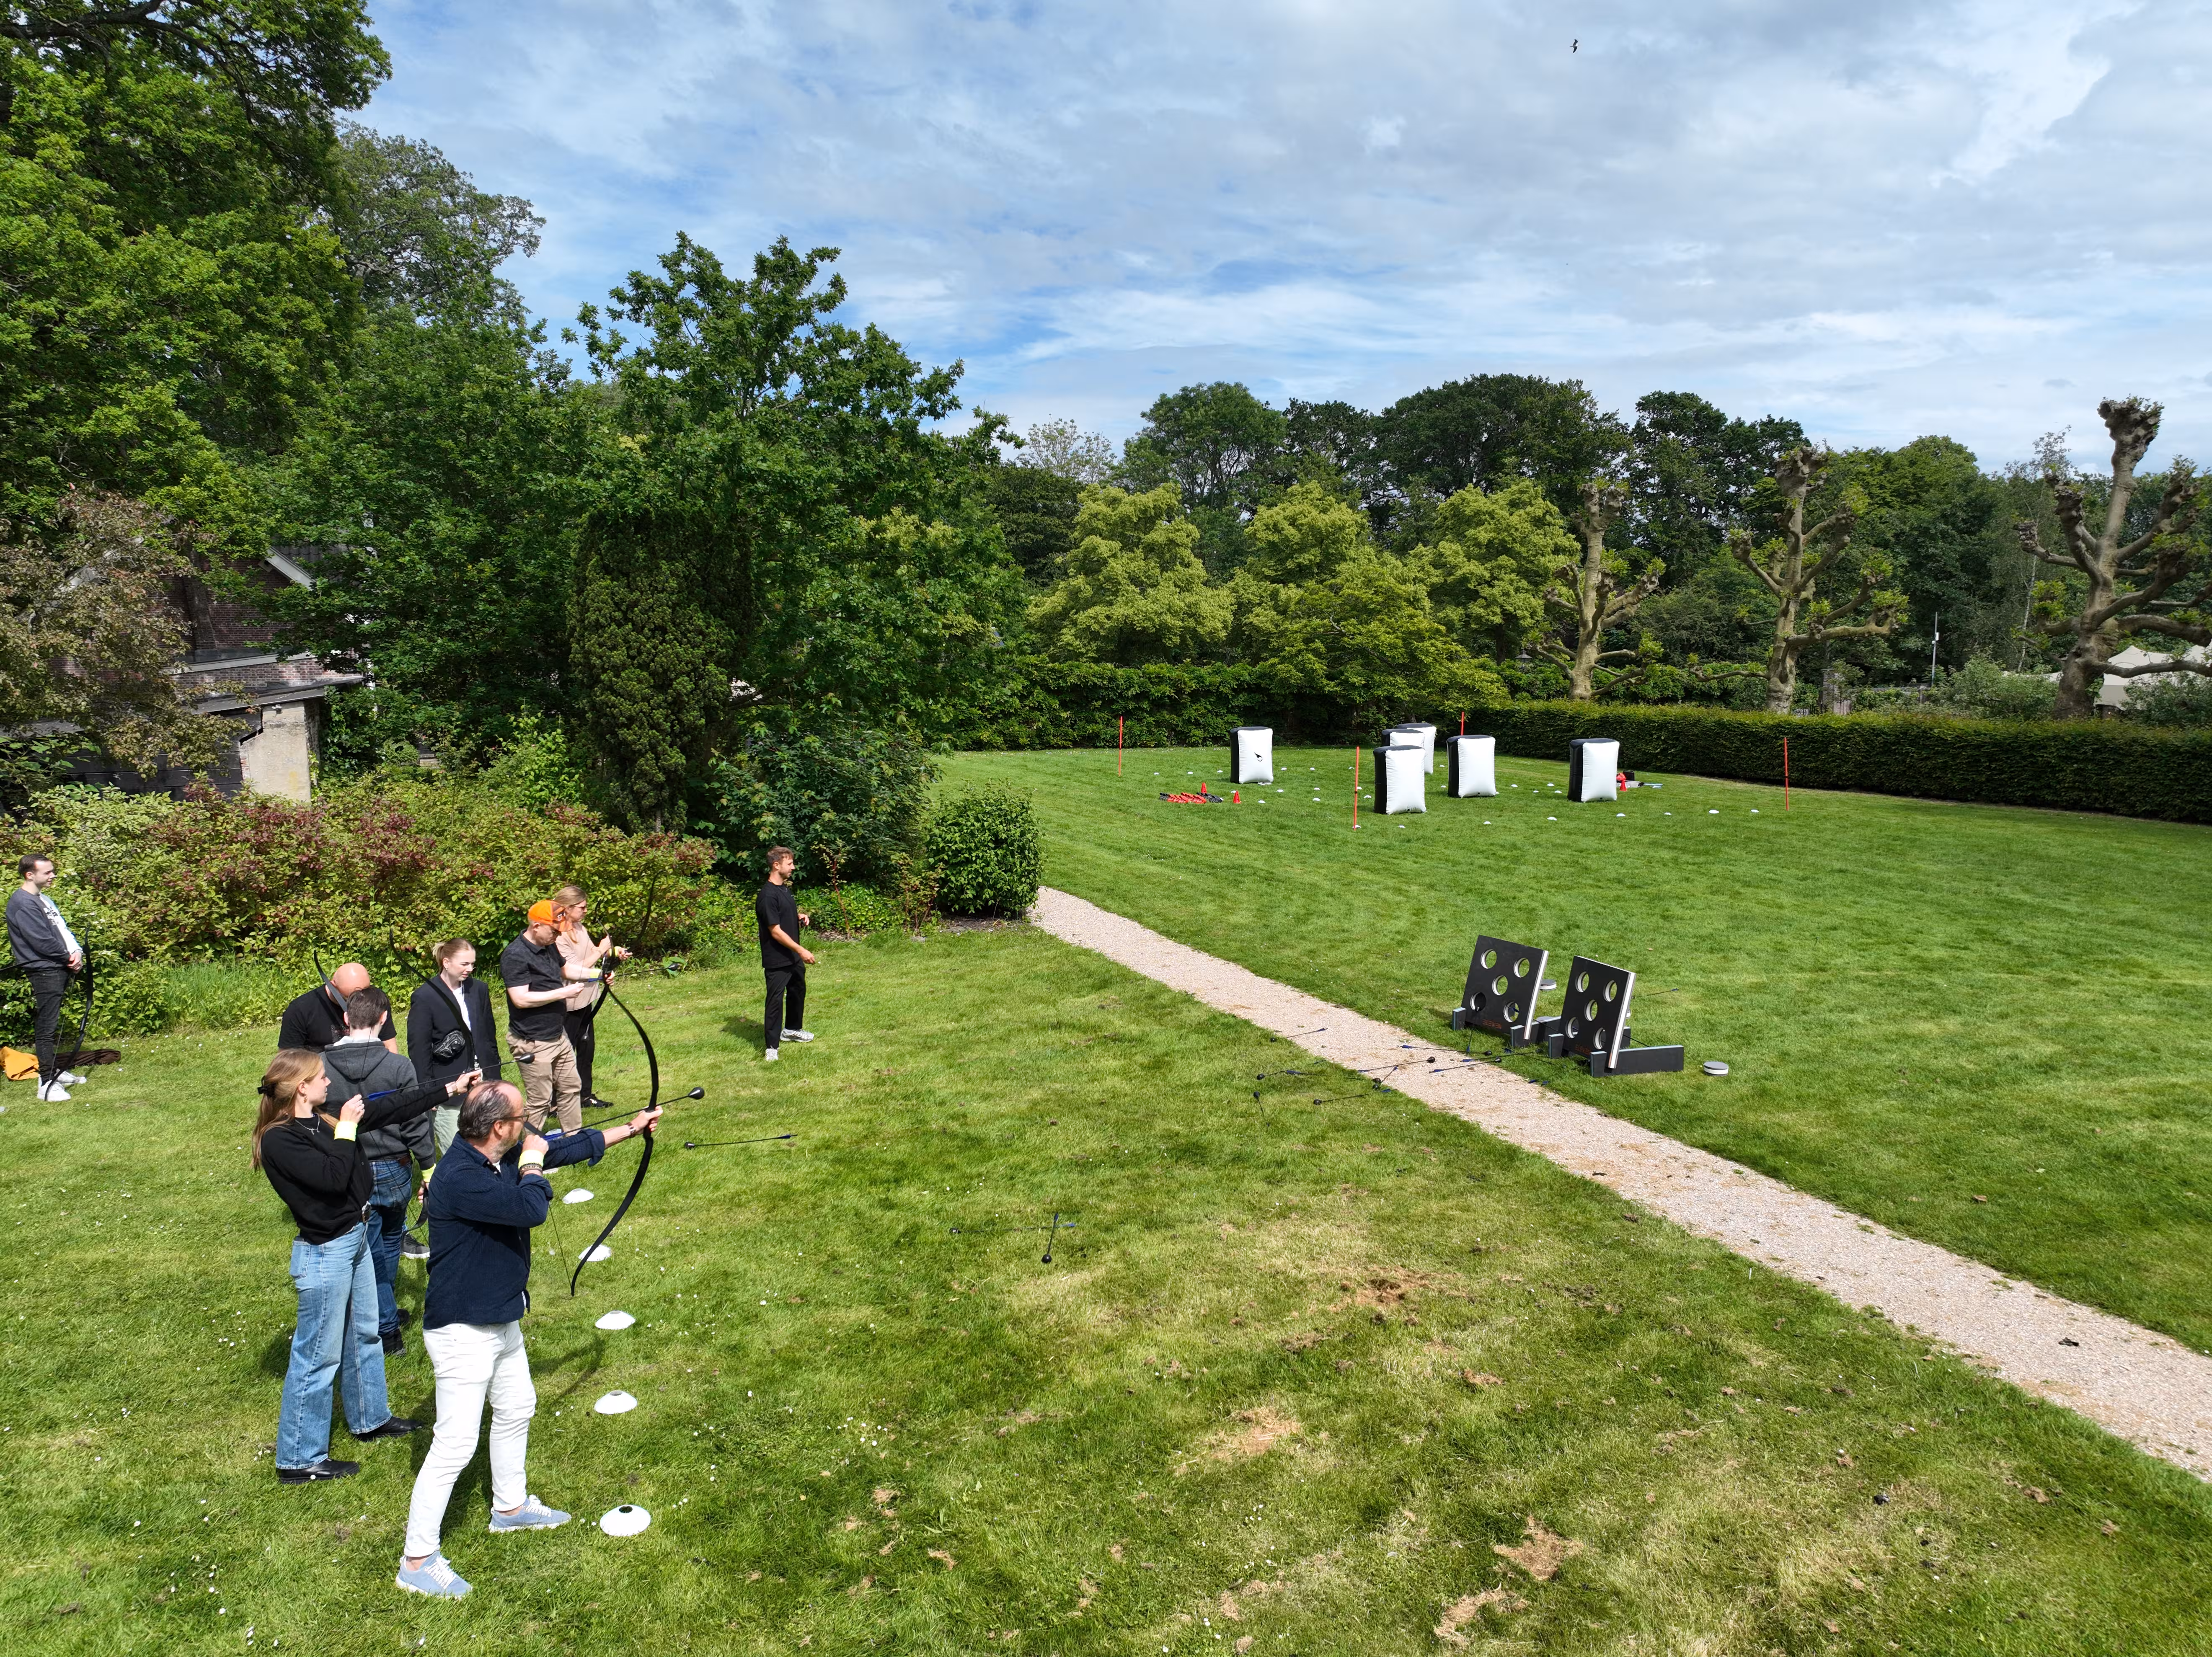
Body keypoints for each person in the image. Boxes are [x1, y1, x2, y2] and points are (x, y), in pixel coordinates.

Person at [396, 1079, 660, 1599]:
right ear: (500, 1126)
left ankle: (510, 1507)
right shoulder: (461, 1176)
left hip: (498, 1317)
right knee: (454, 1444)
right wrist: (535, 1163)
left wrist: (631, 1128)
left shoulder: (495, 1152)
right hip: (462, 1328)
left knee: (518, 1405)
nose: (531, 1127)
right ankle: (417, 1559)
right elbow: (531, 1206)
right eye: (524, 1117)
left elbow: (561, 1144)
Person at [252, 1048, 475, 1484]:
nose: (329, 1083)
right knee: (318, 1355)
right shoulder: (281, 1139)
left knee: (364, 1333)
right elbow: (333, 1179)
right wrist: (349, 1129)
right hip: (324, 1252)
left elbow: (391, 1105)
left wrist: (449, 1087)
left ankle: (371, 1418)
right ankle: (298, 1458)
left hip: (353, 1240)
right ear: (301, 1087)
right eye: (320, 1078)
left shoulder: (324, 1117)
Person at [323, 987, 444, 1355]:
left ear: (346, 1019)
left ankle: (382, 1311)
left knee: (384, 1244)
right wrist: (429, 1165)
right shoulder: (397, 1065)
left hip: (347, 1166)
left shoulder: (319, 1066)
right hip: (393, 1167)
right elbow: (414, 1122)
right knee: (382, 1247)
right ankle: (387, 1329)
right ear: (383, 1021)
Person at [499, 899, 598, 1133]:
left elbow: (566, 970)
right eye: (554, 930)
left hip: (557, 1034)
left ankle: (574, 1141)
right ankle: (531, 1154)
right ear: (536, 927)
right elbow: (520, 998)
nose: (557, 935)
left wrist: (597, 974)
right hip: (533, 1041)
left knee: (571, 1088)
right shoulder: (515, 955)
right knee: (540, 1101)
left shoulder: (548, 944)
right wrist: (563, 992)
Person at [407, 939, 504, 1157]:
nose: (470, 969)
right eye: (464, 964)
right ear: (447, 962)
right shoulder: (425, 997)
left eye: (473, 964)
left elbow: (488, 1035)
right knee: (456, 1150)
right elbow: (419, 1049)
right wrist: (428, 1091)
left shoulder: (478, 989)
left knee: (489, 1142)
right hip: (449, 1082)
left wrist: (494, 1074)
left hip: (483, 1079)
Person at [8, 853, 85, 1102]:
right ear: (30, 875)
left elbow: (61, 929)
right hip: (44, 969)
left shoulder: (43, 899)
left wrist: (77, 953)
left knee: (52, 1024)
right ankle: (47, 1083)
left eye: (53, 871)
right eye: (48, 873)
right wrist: (67, 957)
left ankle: (55, 1073)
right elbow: (40, 941)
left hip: (57, 965)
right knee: (46, 1028)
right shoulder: (22, 903)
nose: (53, 876)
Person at [550, 885, 629, 1109]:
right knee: (565, 1052)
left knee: (587, 1049)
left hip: (586, 1000)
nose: (586, 911)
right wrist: (600, 950)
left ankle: (585, 1096)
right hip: (569, 1003)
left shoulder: (578, 927)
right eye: (582, 907)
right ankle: (555, 1103)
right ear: (568, 908)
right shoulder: (558, 936)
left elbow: (590, 953)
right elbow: (573, 969)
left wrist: (612, 952)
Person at [755, 846, 816, 1064]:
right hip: (778, 958)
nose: (793, 867)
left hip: (792, 957)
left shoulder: (783, 890)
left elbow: (782, 915)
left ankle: (791, 1030)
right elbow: (775, 931)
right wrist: (801, 950)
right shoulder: (767, 895)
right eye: (790, 864)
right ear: (776, 865)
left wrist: (798, 915)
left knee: (798, 991)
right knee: (775, 1001)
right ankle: (772, 1047)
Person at [278, 960, 397, 1054]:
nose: (356, 1004)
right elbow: (288, 1060)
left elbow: (389, 1044)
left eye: (363, 996)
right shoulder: (300, 1010)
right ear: (333, 986)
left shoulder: (375, 1001)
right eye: (348, 999)